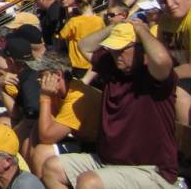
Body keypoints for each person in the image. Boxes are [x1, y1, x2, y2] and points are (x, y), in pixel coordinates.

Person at [41, 22, 180, 188]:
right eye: (113, 49)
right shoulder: (113, 67)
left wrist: (141, 30)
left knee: (89, 183)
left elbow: (162, 60)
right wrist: (115, 26)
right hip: (108, 162)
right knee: (51, 168)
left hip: (150, 170)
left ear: (141, 48)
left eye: (122, 49)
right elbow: (84, 45)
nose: (116, 55)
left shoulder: (154, 76)